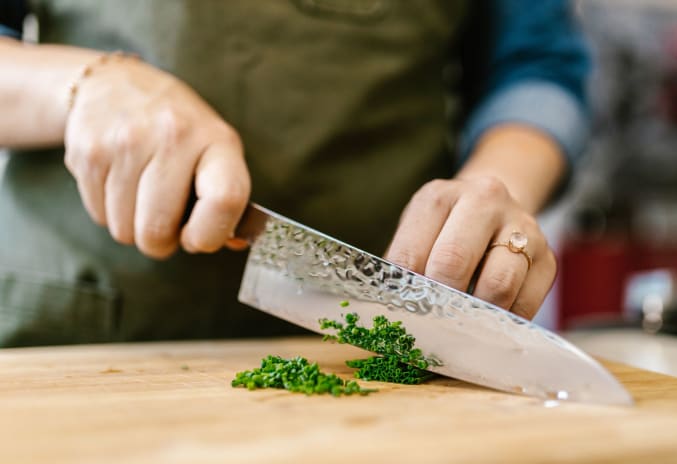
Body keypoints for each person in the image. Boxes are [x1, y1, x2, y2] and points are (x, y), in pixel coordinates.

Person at [0, 0, 590, 346]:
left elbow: (536, 65)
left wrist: (494, 195)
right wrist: (82, 88)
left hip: (377, 338)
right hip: (71, 331)